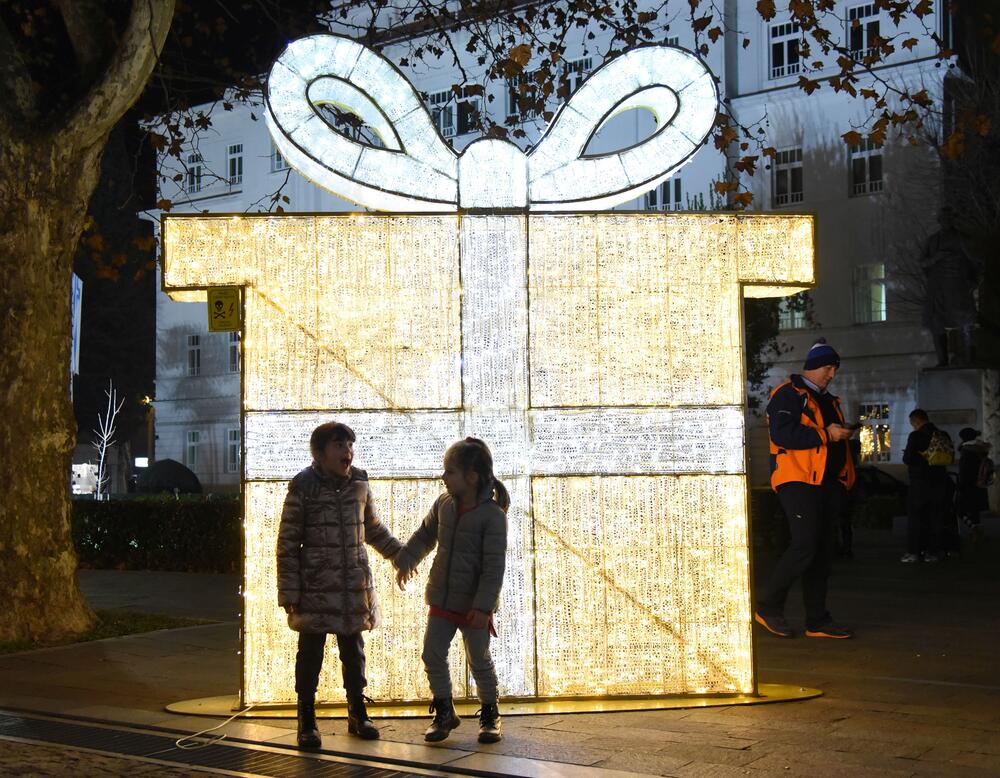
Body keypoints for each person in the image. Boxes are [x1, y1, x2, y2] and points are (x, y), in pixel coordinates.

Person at [276, 421, 404, 748]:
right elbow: (288, 542)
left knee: (353, 650)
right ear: (319, 453)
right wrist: (289, 591)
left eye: (349, 444)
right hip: (316, 586)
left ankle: (357, 710)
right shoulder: (303, 486)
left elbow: (372, 528)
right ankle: (306, 717)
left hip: (352, 584)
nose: (347, 451)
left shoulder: (359, 483)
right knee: (310, 653)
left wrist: (400, 555)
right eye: (339, 445)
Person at [394, 437, 509, 744]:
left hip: (474, 606)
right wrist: (405, 560)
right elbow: (425, 535)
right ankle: (445, 710)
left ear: (471, 476)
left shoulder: (492, 516)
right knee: (432, 653)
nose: (444, 477)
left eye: (450, 471)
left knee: (479, 659)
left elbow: (493, 567)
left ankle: (490, 713)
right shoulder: (444, 504)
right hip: (443, 598)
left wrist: (483, 607)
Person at [755, 339, 856, 640]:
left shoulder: (828, 400)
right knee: (805, 546)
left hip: (825, 484)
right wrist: (829, 434)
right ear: (813, 368)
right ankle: (768, 607)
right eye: (828, 368)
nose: (832, 374)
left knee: (820, 551)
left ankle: (817, 620)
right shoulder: (788, 394)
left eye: (834, 369)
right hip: (798, 481)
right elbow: (783, 434)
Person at [901, 409, 949, 563]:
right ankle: (933, 552)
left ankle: (914, 552)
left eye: (912, 423)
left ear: (916, 421)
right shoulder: (942, 435)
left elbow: (908, 458)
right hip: (940, 482)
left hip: (920, 483)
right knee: (936, 518)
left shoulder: (916, 436)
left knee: (916, 518)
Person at [956, 427, 990, 538]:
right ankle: (976, 530)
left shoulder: (967, 451)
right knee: (975, 510)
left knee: (959, 509)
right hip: (980, 484)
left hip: (967, 485)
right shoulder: (980, 449)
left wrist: (960, 485)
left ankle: (974, 528)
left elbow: (964, 471)